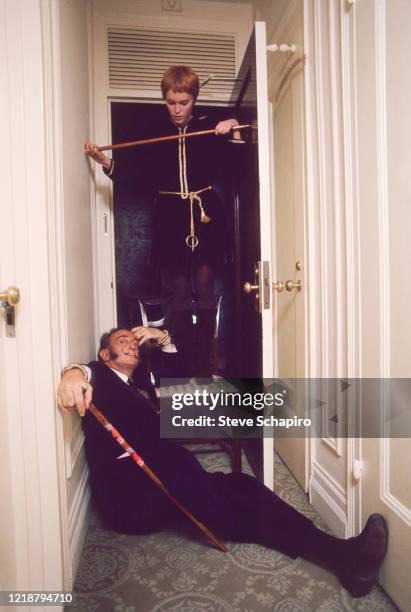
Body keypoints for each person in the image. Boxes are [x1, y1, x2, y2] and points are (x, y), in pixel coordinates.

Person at [58, 328, 389, 598]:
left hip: (167, 472)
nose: (131, 344)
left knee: (242, 484)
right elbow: (84, 371)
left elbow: (182, 371)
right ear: (105, 354)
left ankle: (341, 556)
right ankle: (343, 557)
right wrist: (73, 375)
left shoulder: (138, 382)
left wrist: (161, 336)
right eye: (121, 341)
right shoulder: (100, 375)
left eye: (132, 340)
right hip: (135, 497)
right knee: (239, 511)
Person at [85, 65, 241, 379]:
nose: (177, 109)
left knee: (206, 289)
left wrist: (233, 125)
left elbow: (238, 158)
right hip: (171, 215)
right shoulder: (154, 131)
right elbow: (137, 175)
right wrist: (106, 162)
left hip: (204, 212)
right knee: (180, 294)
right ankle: (182, 363)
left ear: (193, 100)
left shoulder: (209, 125)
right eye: (171, 102)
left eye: (183, 102)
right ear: (164, 100)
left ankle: (204, 368)